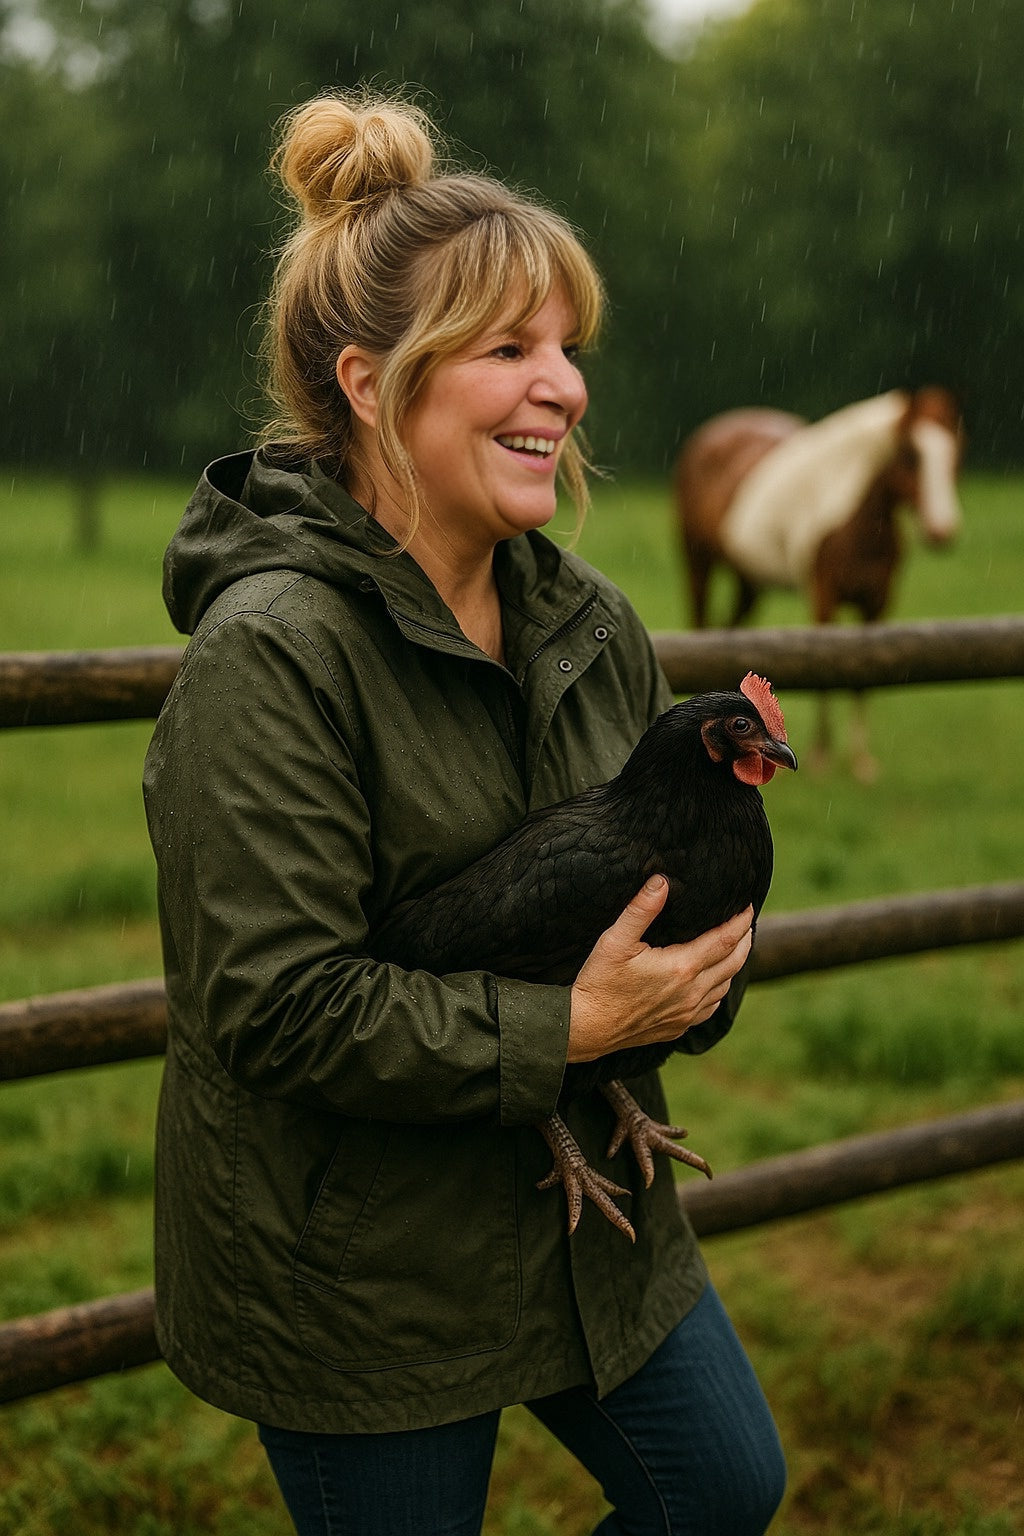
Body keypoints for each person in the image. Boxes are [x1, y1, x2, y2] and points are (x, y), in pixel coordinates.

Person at [142, 89, 786, 1536]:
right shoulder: (274, 656)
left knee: (726, 1495)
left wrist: (685, 988)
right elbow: (275, 1005)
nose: (564, 387)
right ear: (371, 386)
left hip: (592, 1217)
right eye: (510, 350)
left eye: (568, 349)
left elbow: (652, 880)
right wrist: (573, 1030)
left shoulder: (592, 623)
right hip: (361, 1262)